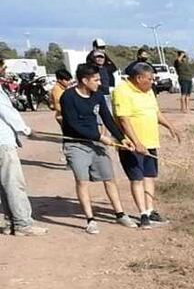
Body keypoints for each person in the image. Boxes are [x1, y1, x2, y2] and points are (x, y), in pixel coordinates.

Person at [59, 64, 139, 234]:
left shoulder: (98, 95)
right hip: (76, 144)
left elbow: (108, 119)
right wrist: (101, 137)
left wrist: (122, 138)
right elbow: (73, 125)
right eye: (96, 80)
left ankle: (120, 214)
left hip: (96, 143)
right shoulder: (68, 97)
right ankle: (90, 219)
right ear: (84, 80)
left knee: (109, 178)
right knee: (82, 181)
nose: (99, 82)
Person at [112, 62, 182, 229]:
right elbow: (124, 119)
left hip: (150, 142)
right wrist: (137, 142)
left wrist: (170, 126)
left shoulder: (149, 91)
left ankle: (150, 210)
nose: (153, 82)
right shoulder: (122, 91)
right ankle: (143, 214)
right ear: (139, 78)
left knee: (150, 176)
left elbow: (155, 112)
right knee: (137, 178)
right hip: (131, 145)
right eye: (150, 79)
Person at [0, 58, 47, 236]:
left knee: (4, 185)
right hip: (3, 142)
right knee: (13, 183)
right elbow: (7, 112)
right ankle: (22, 224)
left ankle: (11, 222)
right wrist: (26, 129)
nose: (4, 69)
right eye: (2, 66)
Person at [88, 49, 116, 114]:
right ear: (93, 58)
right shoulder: (91, 70)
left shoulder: (107, 69)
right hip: (97, 96)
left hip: (109, 96)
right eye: (97, 57)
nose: (100, 59)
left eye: (102, 57)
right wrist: (107, 89)